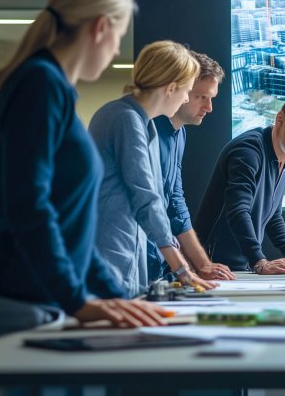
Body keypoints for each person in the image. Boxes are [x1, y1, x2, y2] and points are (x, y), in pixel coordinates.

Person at [0, 0, 168, 346]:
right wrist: (78, 301)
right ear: (101, 26)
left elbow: (75, 237)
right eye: (119, 36)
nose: (117, 49)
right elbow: (30, 207)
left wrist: (118, 299)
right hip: (13, 307)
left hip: (38, 305)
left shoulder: (52, 87)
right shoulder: (40, 83)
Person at [89, 40, 216, 297]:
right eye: (187, 91)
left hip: (131, 257)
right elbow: (146, 198)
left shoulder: (145, 124)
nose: (184, 99)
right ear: (171, 88)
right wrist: (182, 268)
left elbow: (159, 199)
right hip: (111, 253)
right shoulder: (124, 118)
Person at [194, 92, 285, 274]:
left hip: (238, 267)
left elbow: (273, 216)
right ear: (280, 119)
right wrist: (259, 261)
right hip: (209, 265)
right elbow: (238, 210)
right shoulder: (248, 152)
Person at [147, 51, 237, 281]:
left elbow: (175, 203)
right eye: (200, 97)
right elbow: (147, 204)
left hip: (159, 257)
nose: (209, 107)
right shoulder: (148, 130)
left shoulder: (180, 133)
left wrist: (204, 265)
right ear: (181, 89)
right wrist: (184, 267)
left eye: (212, 98)